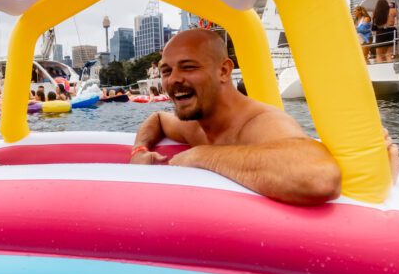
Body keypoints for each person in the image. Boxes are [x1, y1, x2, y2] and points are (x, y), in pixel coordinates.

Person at [130, 29, 345, 206]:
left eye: (189, 67)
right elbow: (158, 118)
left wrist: (202, 156)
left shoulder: (260, 122)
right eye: (166, 71)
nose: (174, 79)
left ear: (224, 71)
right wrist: (139, 149)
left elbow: (319, 178)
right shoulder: (194, 125)